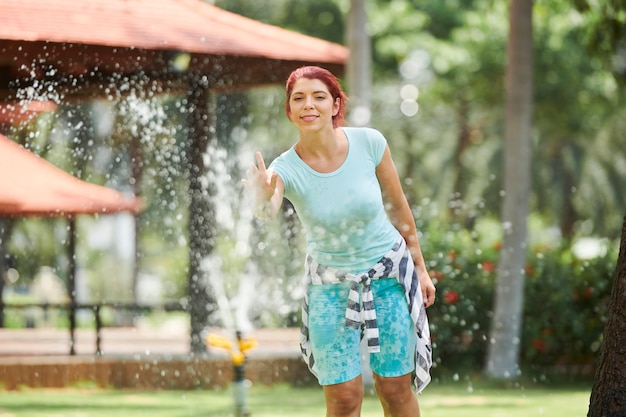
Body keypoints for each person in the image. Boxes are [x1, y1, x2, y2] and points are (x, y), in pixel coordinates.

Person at [242, 66, 436, 417]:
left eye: (318, 96)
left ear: (335, 105)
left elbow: (398, 207)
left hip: (389, 278)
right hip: (329, 287)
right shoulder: (284, 168)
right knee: (345, 399)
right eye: (298, 98)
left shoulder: (370, 143)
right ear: (289, 110)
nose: (308, 105)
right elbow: (268, 209)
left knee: (394, 389)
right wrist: (260, 197)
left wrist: (420, 267)